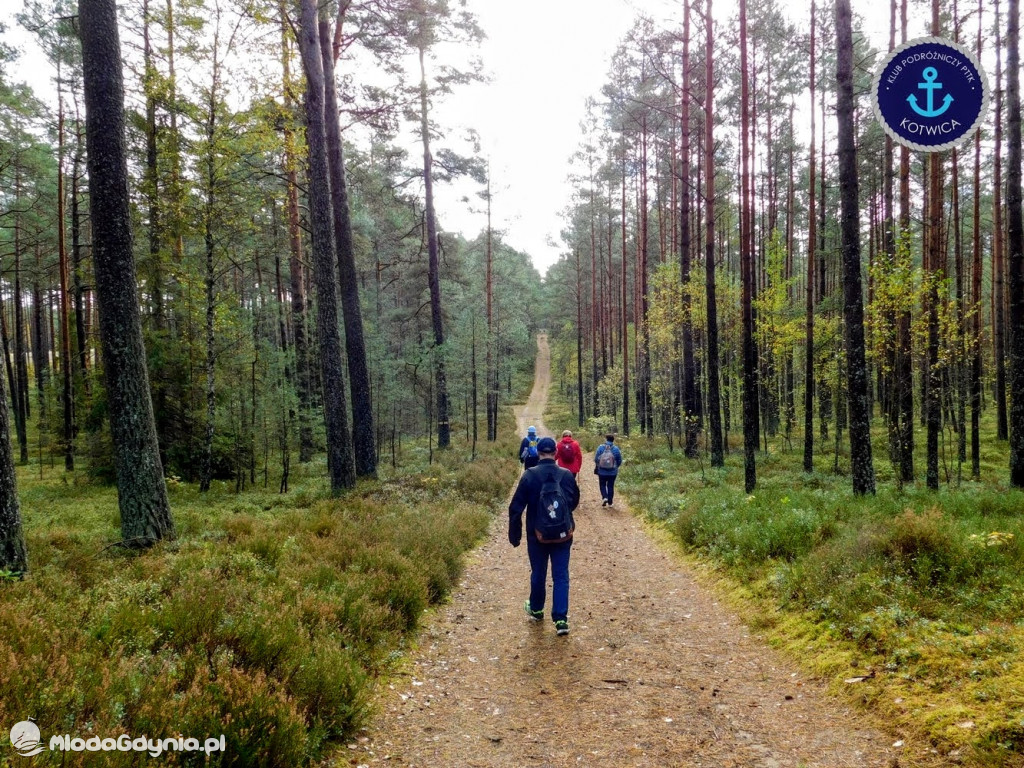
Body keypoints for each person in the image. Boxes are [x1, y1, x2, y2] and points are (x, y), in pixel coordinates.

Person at [508, 437, 580, 636]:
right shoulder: (566, 475)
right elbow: (573, 501)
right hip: (563, 535)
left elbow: (515, 508)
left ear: (538, 453)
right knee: (561, 576)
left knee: (538, 573)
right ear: (555, 453)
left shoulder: (529, 476)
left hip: (536, 535)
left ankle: (537, 610)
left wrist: (515, 535)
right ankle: (561, 620)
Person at [594, 433, 623, 508]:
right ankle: (610, 502)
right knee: (610, 486)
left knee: (602, 484)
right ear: (613, 440)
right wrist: (616, 467)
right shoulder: (616, 449)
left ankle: (604, 497)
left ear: (606, 439)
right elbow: (619, 460)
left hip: (602, 471)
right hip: (613, 472)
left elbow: (596, 459)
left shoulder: (600, 448)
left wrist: (599, 466)